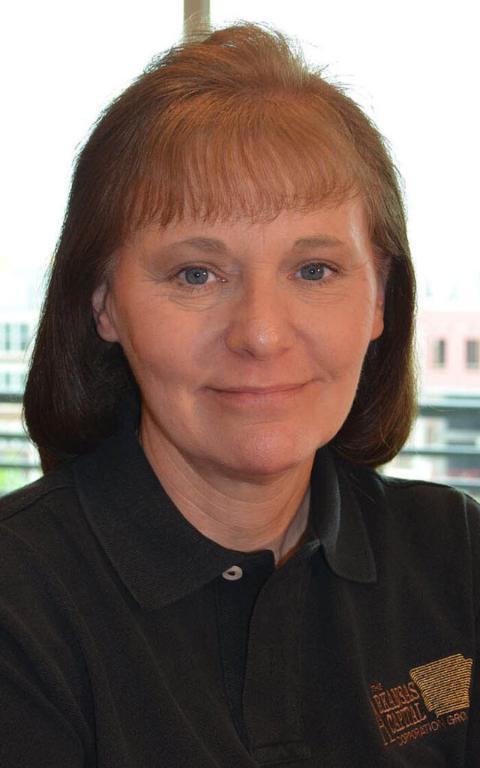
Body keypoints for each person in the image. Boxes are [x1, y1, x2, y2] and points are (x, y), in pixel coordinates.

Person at [0, 21, 478, 767]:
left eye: (314, 270)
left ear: (381, 298)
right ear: (104, 305)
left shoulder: (457, 554)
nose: (260, 334)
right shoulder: (20, 602)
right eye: (197, 274)